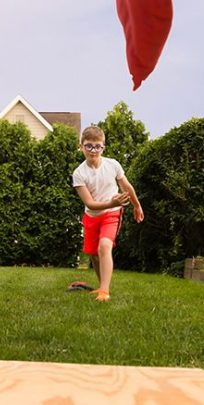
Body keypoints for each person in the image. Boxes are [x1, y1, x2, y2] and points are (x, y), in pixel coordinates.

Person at [72, 126, 144, 301]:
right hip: (92, 216)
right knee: (94, 255)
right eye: (89, 146)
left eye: (97, 146)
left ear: (103, 147)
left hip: (112, 213)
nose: (93, 150)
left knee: (104, 246)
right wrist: (111, 201)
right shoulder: (79, 174)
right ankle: (101, 286)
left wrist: (137, 206)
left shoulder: (113, 165)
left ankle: (105, 291)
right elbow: (89, 203)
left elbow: (127, 187)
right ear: (81, 146)